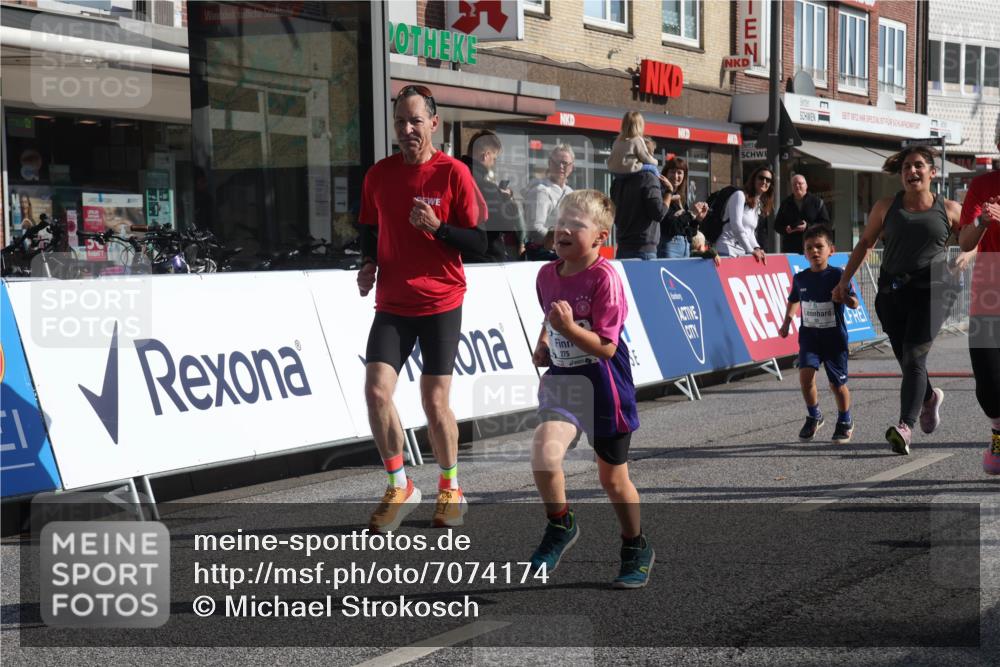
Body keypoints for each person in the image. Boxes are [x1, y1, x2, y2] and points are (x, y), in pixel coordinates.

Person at [357, 84, 487, 533]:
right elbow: (369, 230)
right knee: (376, 392)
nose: (407, 129)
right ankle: (400, 485)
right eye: (400, 122)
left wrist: (440, 228)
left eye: (415, 121)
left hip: (440, 300)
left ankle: (450, 488)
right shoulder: (379, 175)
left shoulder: (453, 173)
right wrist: (369, 263)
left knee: (434, 403)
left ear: (434, 123)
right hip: (392, 301)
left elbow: (480, 242)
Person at [528, 189, 652, 589]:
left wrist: (567, 329)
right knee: (544, 457)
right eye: (561, 221)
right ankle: (560, 523)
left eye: (576, 224)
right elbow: (550, 319)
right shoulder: (546, 275)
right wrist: (546, 341)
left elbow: (606, 346)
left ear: (600, 236)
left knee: (613, 480)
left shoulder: (605, 278)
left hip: (604, 386)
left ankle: (635, 546)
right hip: (564, 382)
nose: (563, 229)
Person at [832, 146, 974, 455]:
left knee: (913, 356)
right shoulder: (886, 207)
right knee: (907, 359)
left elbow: (974, 240)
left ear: (932, 173)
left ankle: (904, 427)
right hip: (891, 293)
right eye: (907, 167)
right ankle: (928, 398)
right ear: (901, 174)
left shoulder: (949, 208)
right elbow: (866, 242)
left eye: (919, 166)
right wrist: (844, 280)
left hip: (935, 290)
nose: (912, 171)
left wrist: (965, 257)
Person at [779, 225, 860, 443]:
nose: (814, 251)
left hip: (834, 339)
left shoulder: (838, 275)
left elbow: (854, 303)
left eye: (819, 247)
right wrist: (786, 322)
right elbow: (794, 299)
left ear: (830, 250)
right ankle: (814, 416)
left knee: (837, 384)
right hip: (809, 338)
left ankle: (845, 419)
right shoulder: (801, 278)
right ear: (804, 253)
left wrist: (843, 297)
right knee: (805, 378)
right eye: (809, 248)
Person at [957, 131, 1000, 474]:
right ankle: (998, 430)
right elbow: (964, 240)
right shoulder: (982, 187)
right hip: (989, 292)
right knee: (988, 382)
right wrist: (983, 222)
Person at [460, 129, 526, 262]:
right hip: (486, 258)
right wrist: (507, 200)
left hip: (459, 255)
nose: (493, 164)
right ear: (485, 155)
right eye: (494, 159)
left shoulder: (455, 176)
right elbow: (506, 225)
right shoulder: (486, 187)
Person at [610, 148, 671, 260]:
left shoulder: (617, 181)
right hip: (644, 249)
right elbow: (659, 213)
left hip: (623, 246)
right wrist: (669, 192)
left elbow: (614, 213)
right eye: (651, 153)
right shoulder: (649, 177)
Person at [523, 145, 574, 260]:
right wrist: (561, 242)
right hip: (543, 255)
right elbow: (535, 229)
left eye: (565, 163)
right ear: (550, 163)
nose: (561, 166)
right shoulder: (540, 191)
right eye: (557, 162)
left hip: (563, 252)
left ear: (572, 167)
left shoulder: (571, 193)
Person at [716, 165, 773, 264]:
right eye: (761, 178)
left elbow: (750, 232)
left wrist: (756, 248)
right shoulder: (739, 195)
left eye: (768, 180)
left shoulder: (757, 204)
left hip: (741, 252)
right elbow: (736, 225)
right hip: (726, 250)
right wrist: (750, 250)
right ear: (754, 179)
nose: (764, 182)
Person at [656, 157, 709, 258]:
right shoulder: (661, 195)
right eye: (672, 172)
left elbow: (688, 234)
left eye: (679, 172)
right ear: (665, 174)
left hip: (684, 248)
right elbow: (671, 227)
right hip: (668, 248)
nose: (676, 176)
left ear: (684, 176)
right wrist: (691, 214)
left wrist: (697, 220)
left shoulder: (681, 198)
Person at [774, 174, 830, 254]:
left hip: (812, 248)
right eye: (794, 184)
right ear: (791, 188)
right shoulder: (785, 203)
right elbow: (776, 225)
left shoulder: (817, 202)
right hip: (790, 248)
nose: (797, 186)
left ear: (806, 186)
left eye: (800, 183)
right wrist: (786, 229)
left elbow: (825, 224)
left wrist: (808, 226)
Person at [606, 111, 659, 176]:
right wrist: (656, 161)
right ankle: (661, 184)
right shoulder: (637, 140)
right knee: (652, 168)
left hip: (614, 171)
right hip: (628, 170)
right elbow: (646, 158)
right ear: (640, 126)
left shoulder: (617, 140)